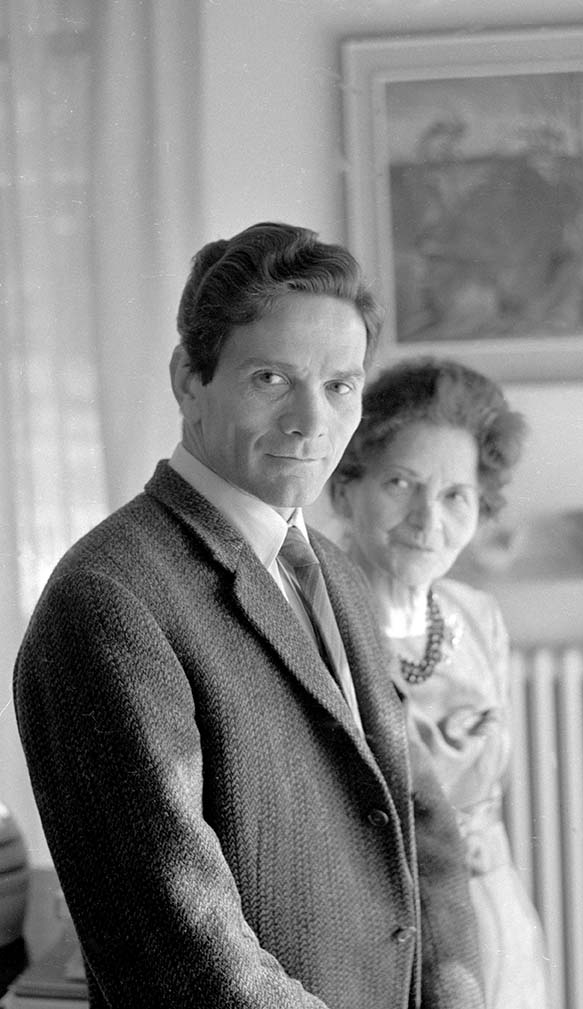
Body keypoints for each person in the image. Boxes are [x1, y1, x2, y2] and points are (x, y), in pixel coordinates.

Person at [13, 225, 485, 1009]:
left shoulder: (332, 568)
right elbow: (182, 953)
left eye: (340, 385)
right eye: (272, 377)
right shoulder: (107, 600)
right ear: (189, 377)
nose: (313, 420)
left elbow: (420, 823)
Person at [330, 357, 551, 1009]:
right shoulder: (315, 623)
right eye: (401, 482)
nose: (429, 519)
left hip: (496, 925)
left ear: (482, 507)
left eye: (456, 494)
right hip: (382, 947)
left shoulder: (478, 617)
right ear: (347, 487)